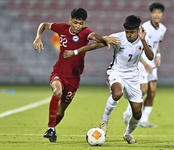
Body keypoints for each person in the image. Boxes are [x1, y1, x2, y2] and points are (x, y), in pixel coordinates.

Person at [33, 8, 119, 143]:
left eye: (80, 23)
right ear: (70, 20)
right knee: (57, 91)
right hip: (59, 72)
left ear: (84, 22)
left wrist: (104, 38)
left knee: (60, 111)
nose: (78, 26)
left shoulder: (85, 32)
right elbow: (44, 25)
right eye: (75, 23)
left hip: (74, 78)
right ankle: (50, 128)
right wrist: (38, 37)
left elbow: (94, 37)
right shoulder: (61, 28)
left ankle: (52, 129)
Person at [64, 14, 154, 144]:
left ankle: (127, 134)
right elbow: (95, 45)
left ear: (138, 30)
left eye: (132, 32)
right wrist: (75, 52)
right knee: (117, 93)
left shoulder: (144, 39)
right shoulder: (118, 37)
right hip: (116, 72)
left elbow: (150, 57)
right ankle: (104, 119)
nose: (129, 35)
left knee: (137, 113)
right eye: (127, 32)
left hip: (133, 77)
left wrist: (143, 40)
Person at [123, 2, 167, 128]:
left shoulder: (163, 29)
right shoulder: (144, 28)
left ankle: (144, 119)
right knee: (143, 90)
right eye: (154, 12)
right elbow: (138, 46)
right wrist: (145, 63)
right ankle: (127, 112)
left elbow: (155, 45)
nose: (157, 14)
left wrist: (158, 56)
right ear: (151, 13)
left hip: (152, 63)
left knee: (152, 92)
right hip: (141, 62)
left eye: (159, 12)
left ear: (162, 14)